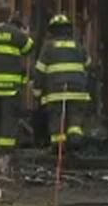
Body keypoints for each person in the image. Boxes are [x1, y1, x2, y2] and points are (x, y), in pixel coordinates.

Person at [0, 4, 34, 155]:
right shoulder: (16, 33)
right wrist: (25, 34)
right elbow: (29, 48)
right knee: (8, 116)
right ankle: (5, 150)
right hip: (9, 85)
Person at [33, 14, 92, 149]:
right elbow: (89, 63)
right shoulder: (77, 45)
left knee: (56, 119)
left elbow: (40, 70)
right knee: (75, 121)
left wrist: (37, 92)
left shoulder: (48, 47)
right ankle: (75, 143)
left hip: (56, 92)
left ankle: (58, 147)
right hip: (77, 91)